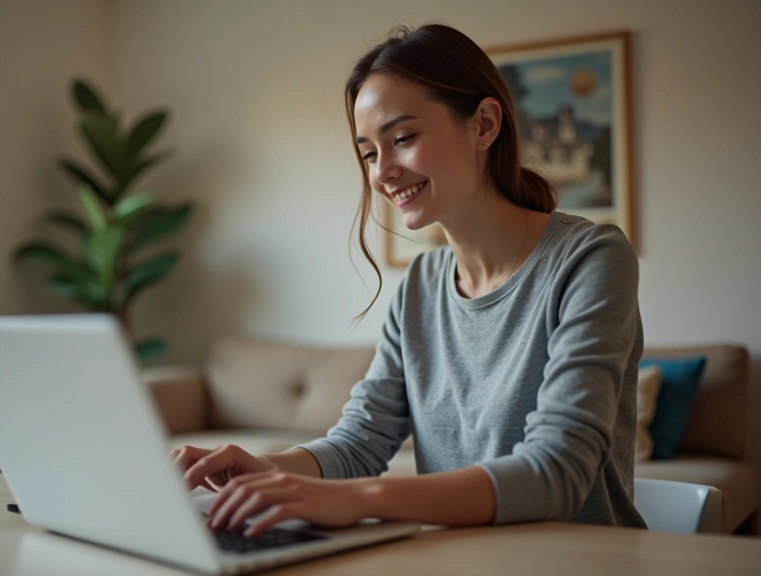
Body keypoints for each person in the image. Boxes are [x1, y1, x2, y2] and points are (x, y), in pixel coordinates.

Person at [171, 23, 646, 537]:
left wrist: (358, 499)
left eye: (402, 138)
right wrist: (269, 469)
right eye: (369, 152)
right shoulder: (421, 284)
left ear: (484, 125)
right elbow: (361, 442)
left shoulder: (591, 258)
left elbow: (558, 472)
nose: (380, 173)